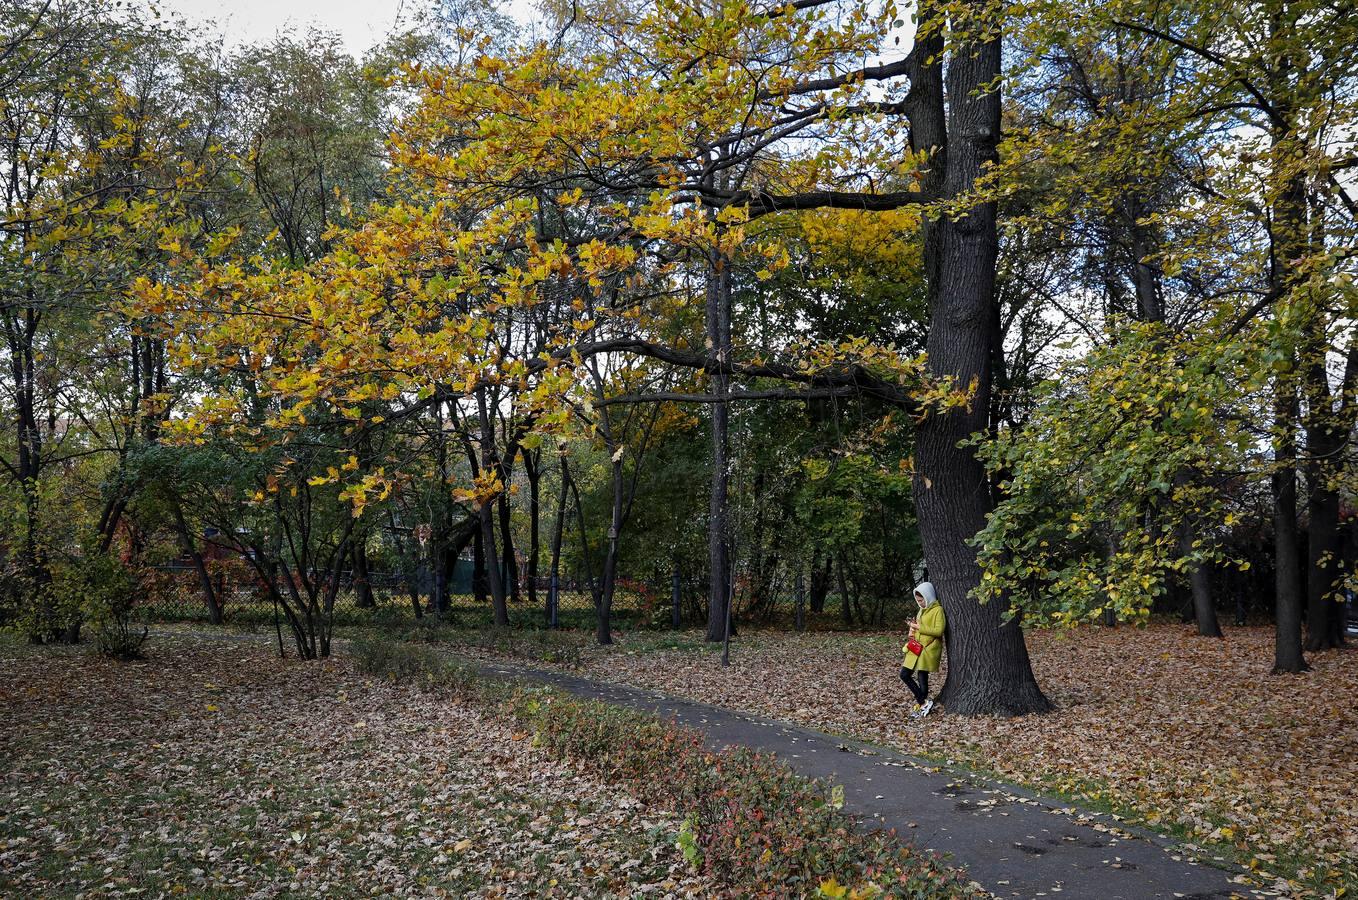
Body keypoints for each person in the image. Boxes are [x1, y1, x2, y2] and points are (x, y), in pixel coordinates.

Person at [900, 581, 946, 718]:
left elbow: (939, 631)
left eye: (922, 600)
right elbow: (919, 626)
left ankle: (923, 704)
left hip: (928, 649)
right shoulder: (921, 610)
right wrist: (913, 629)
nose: (920, 603)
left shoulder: (938, 610)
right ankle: (924, 703)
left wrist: (919, 627)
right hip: (917, 647)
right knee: (904, 674)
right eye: (918, 601)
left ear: (929, 597)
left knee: (922, 676)